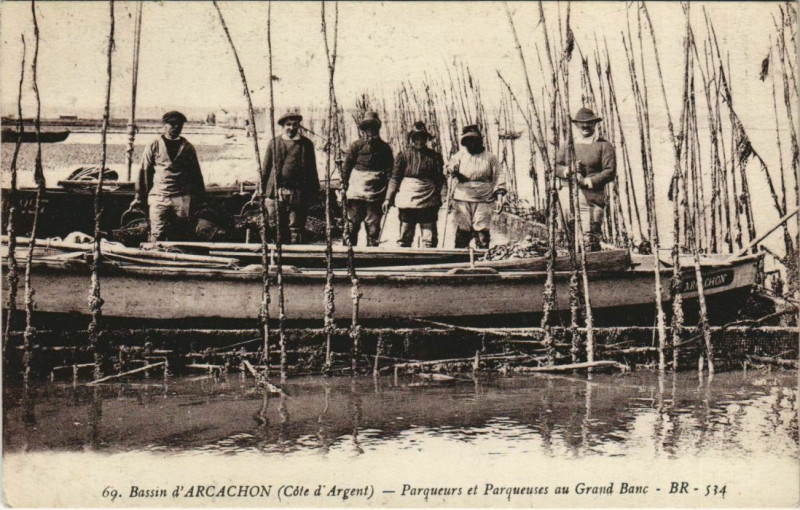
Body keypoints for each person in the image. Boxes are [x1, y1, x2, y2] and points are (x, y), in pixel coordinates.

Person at [132, 110, 206, 242]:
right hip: (159, 196)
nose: (176, 127)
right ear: (164, 125)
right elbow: (145, 171)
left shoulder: (188, 147)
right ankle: (155, 258)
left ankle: (177, 259)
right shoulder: (154, 145)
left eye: (179, 124)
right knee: (157, 232)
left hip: (181, 197)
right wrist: (139, 196)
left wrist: (201, 198)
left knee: (180, 232)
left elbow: (196, 174)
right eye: (172, 124)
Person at [555, 107, 616, 252]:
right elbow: (555, 167)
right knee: (568, 236)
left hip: (592, 198)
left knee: (590, 238)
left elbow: (610, 172)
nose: (585, 126)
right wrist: (568, 170)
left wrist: (587, 181)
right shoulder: (567, 145)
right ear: (576, 125)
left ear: (595, 124)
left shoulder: (604, 146)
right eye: (581, 123)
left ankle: (592, 267)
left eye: (589, 123)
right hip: (567, 197)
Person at [261, 111, 320, 244]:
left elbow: (312, 170)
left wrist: (314, 192)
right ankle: (278, 257)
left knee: (296, 225)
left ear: (298, 126)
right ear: (283, 126)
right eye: (288, 125)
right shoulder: (274, 143)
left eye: (295, 125)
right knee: (275, 224)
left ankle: (294, 256)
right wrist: (260, 189)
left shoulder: (306, 144)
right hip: (276, 191)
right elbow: (265, 168)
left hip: (298, 193)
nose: (291, 128)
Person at [384, 121, 445, 248]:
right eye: (416, 138)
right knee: (405, 234)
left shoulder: (434, 157)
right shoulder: (403, 156)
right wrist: (388, 198)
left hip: (428, 198)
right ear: (412, 139)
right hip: (407, 198)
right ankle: (404, 261)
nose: (420, 141)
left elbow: (440, 179)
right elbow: (395, 178)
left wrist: (443, 196)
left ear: (426, 139)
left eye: (422, 138)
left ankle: (429, 260)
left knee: (429, 237)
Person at [446, 125, 506, 249]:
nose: (471, 143)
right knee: (463, 228)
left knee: (482, 228)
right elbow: (450, 167)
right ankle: (460, 257)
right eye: (468, 140)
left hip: (484, 198)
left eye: (473, 140)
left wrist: (499, 197)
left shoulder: (490, 157)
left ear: (479, 141)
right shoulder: (459, 155)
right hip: (463, 196)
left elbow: (499, 176)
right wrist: (452, 169)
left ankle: (481, 255)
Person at [341, 111, 394, 246]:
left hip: (376, 194)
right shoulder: (356, 146)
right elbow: (346, 169)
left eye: (373, 128)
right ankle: (348, 257)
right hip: (355, 192)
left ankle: (371, 257)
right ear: (364, 130)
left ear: (378, 129)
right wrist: (343, 187)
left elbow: (390, 173)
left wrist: (388, 197)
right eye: (367, 128)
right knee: (352, 226)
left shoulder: (385, 148)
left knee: (373, 228)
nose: (370, 131)